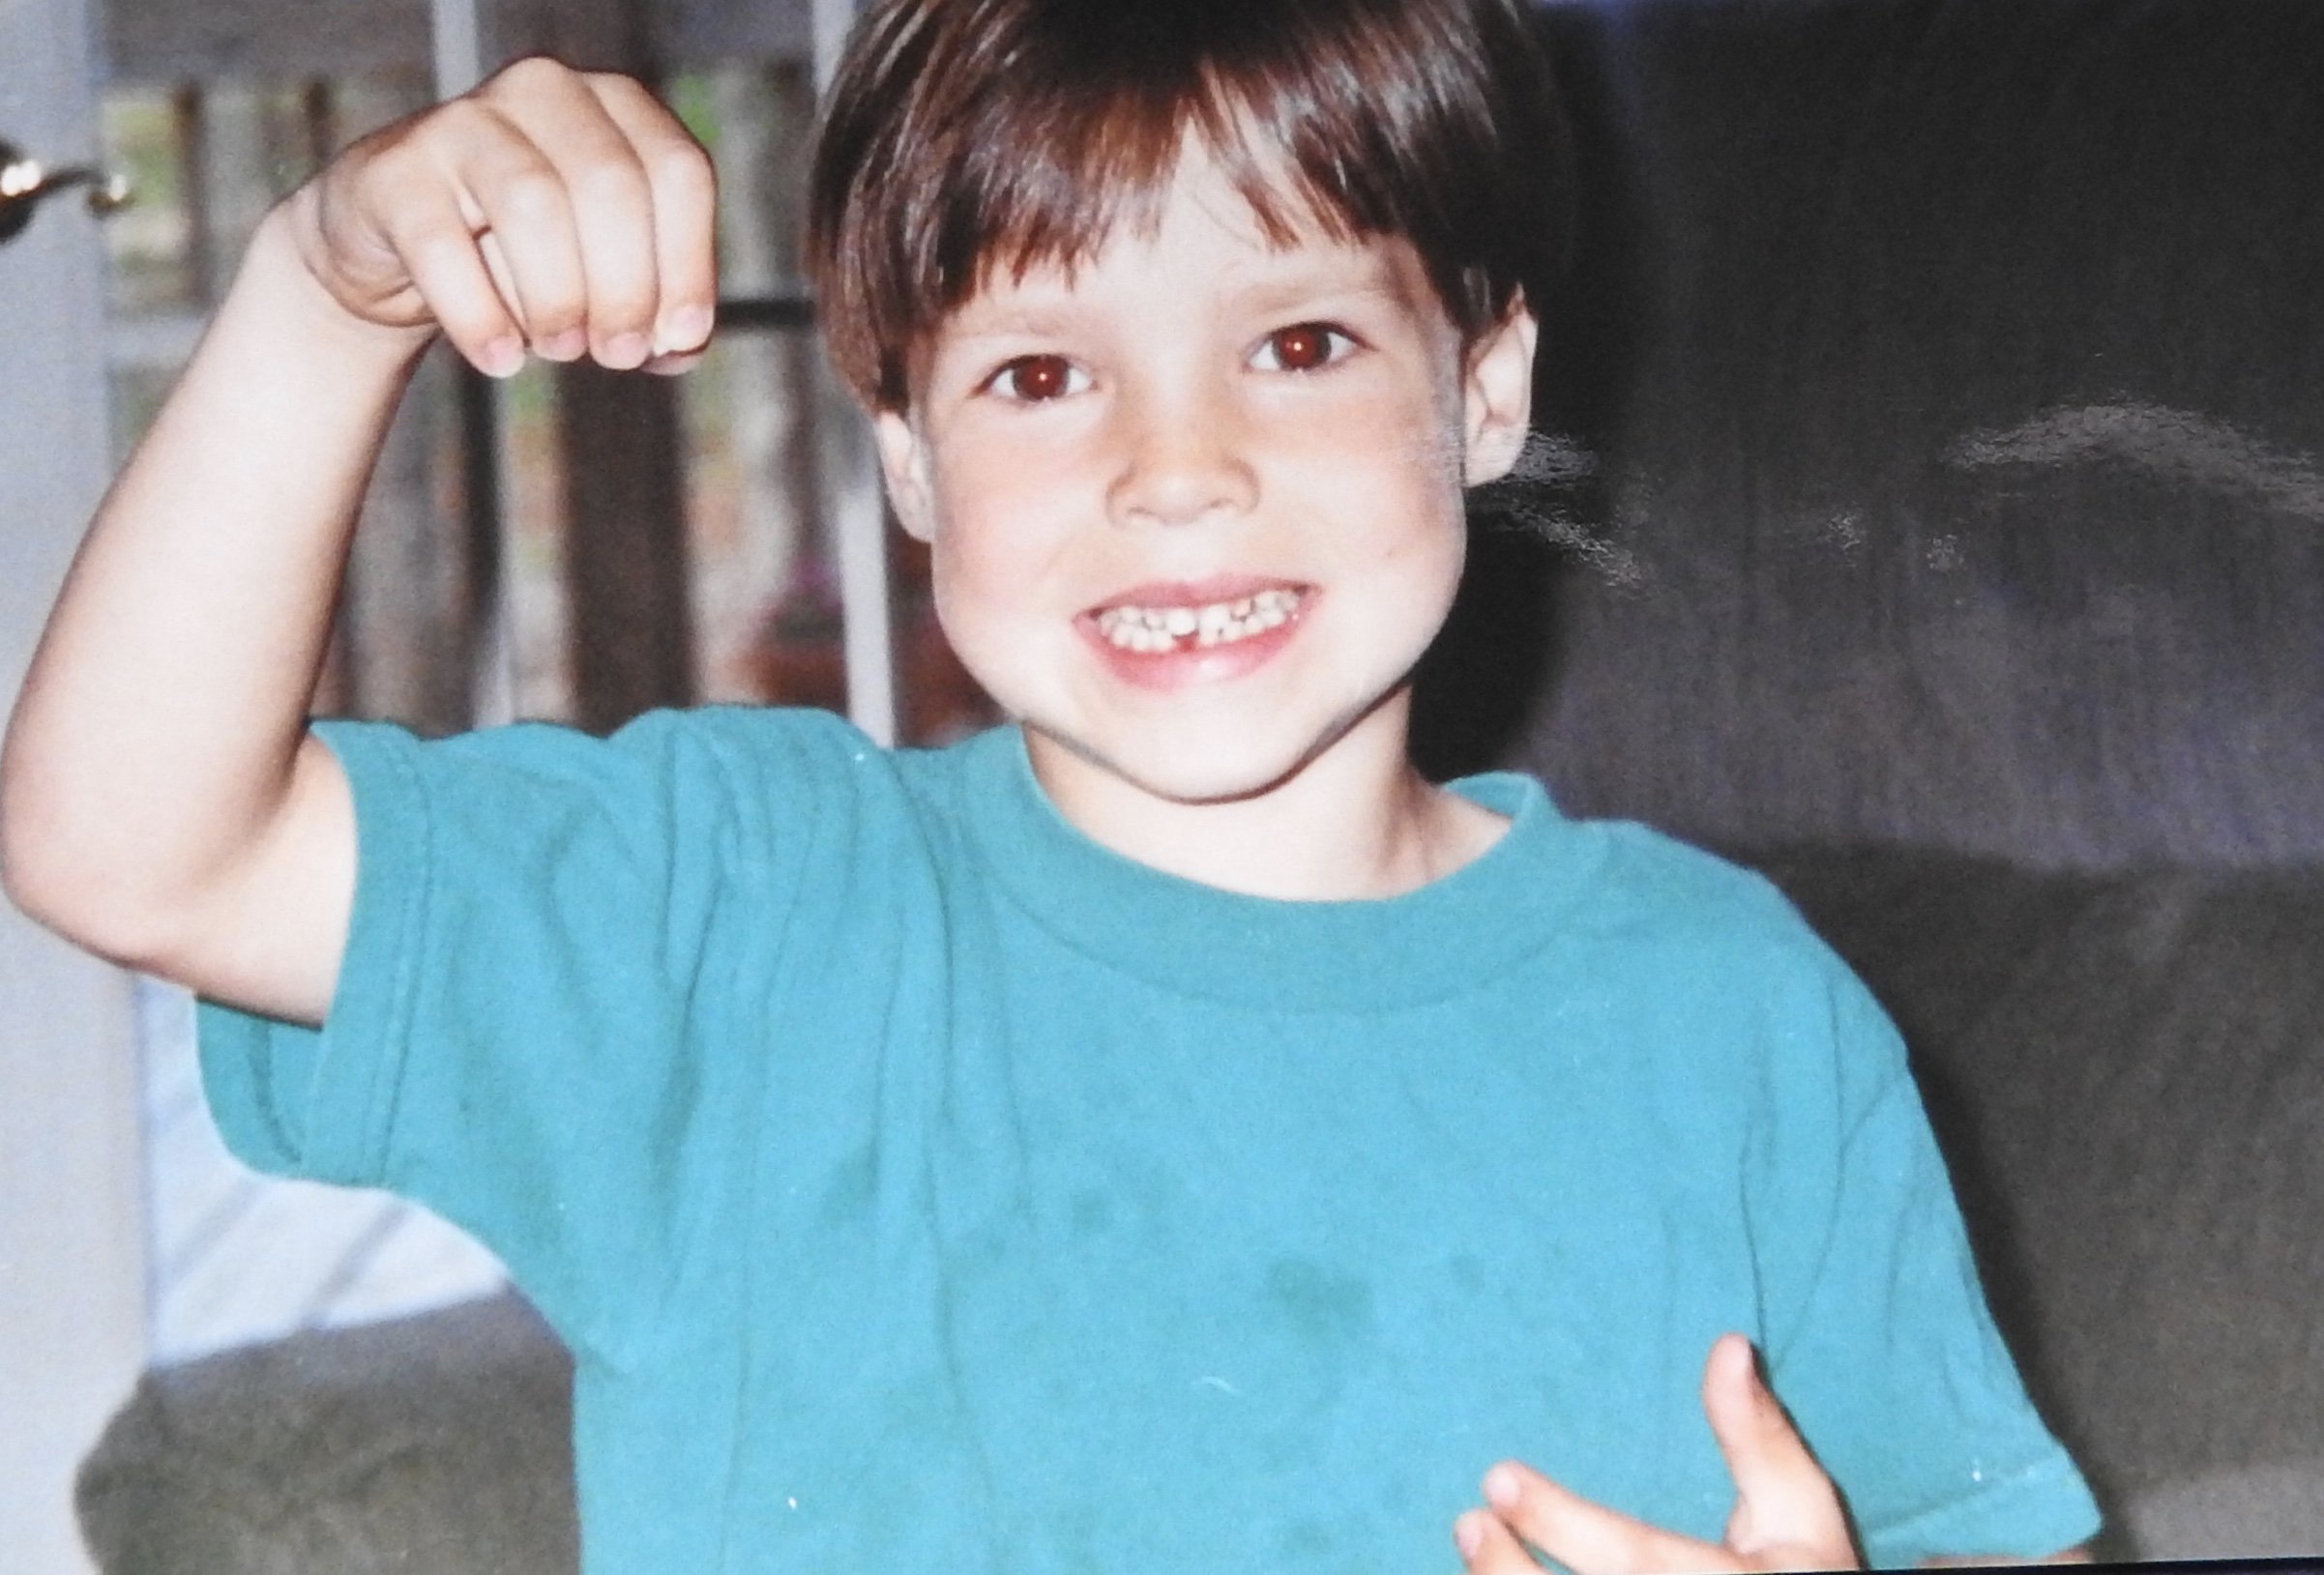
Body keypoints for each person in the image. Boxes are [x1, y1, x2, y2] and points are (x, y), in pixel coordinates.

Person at [0, 0, 2100, 1568]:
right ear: (909, 464)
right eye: (1037, 372)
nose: (1173, 470)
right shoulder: (740, 912)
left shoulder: (1733, 1006)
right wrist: (324, 294)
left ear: (1484, 390)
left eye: (1296, 344)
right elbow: (133, 848)